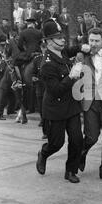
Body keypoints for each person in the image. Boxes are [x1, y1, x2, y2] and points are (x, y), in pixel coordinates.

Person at [36, 19, 89, 184]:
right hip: (55, 108)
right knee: (56, 144)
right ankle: (43, 153)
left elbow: (71, 49)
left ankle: (71, 171)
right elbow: (56, 90)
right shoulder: (46, 64)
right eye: (58, 37)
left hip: (71, 106)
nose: (63, 39)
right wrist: (71, 76)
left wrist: (81, 46)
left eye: (62, 36)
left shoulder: (62, 52)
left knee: (77, 140)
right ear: (49, 42)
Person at [79, 27, 102, 183]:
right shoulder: (82, 56)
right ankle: (82, 153)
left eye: (96, 41)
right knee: (91, 137)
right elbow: (76, 75)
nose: (93, 44)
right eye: (91, 40)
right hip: (91, 102)